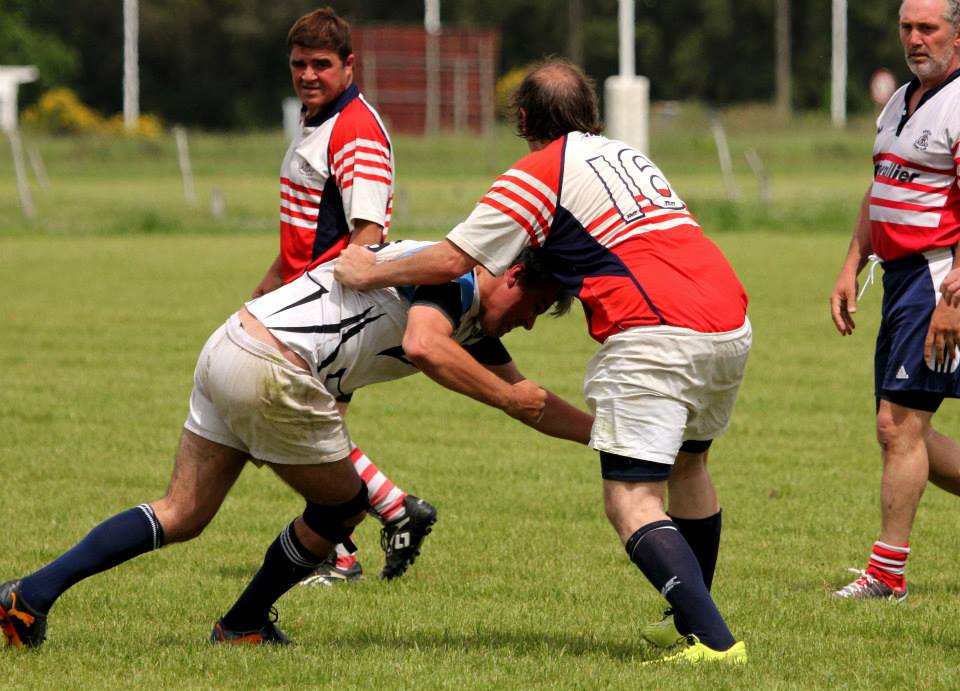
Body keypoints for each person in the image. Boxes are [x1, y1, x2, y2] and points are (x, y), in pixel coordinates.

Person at [335, 59, 751, 665]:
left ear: (524, 118)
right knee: (689, 467)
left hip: (655, 326)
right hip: (729, 317)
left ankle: (715, 644)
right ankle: (688, 621)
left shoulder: (541, 169)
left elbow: (453, 260)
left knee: (631, 500)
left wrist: (369, 267)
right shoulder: (630, 157)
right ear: (591, 113)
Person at [0, 241, 593, 648]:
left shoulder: (468, 317)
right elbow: (424, 346)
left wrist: (608, 437)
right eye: (536, 306)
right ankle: (243, 625)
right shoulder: (453, 284)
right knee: (343, 506)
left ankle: (29, 595)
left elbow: (532, 401)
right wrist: (505, 399)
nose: (530, 322)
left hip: (231, 342)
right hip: (277, 367)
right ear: (513, 275)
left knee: (182, 513)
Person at [254, 7, 432, 585]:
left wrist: (327, 309)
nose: (308, 74)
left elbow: (367, 237)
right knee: (309, 431)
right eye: (298, 64)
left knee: (305, 433)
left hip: (329, 308)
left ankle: (350, 545)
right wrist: (268, 287)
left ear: (349, 65)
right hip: (299, 298)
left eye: (321, 64)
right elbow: (304, 228)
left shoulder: (355, 129)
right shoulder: (316, 119)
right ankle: (393, 510)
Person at [829, 0, 960, 602]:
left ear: (957, 34)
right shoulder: (900, 99)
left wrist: (954, 296)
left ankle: (886, 574)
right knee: (903, 432)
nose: (915, 38)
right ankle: (887, 573)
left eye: (928, 27)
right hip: (899, 279)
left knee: (898, 427)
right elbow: (880, 187)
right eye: (907, 27)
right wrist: (851, 265)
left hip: (937, 279)